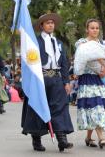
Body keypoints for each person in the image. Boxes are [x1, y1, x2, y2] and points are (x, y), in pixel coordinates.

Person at [21, 13, 74, 152]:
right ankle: (36, 139)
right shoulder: (34, 42)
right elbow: (29, 61)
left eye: (52, 22)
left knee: (60, 108)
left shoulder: (59, 43)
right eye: (47, 23)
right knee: (37, 108)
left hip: (56, 79)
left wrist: (66, 81)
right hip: (40, 79)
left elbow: (63, 63)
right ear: (41, 26)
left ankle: (62, 140)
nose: (51, 25)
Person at [74, 18, 105, 149]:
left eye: (97, 28)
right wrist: (100, 62)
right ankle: (102, 138)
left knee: (97, 107)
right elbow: (85, 57)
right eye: (92, 28)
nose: (95, 30)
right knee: (94, 106)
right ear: (87, 29)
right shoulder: (81, 43)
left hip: (101, 79)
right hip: (87, 79)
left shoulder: (103, 43)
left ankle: (88, 137)